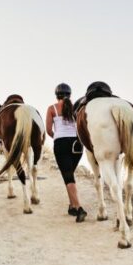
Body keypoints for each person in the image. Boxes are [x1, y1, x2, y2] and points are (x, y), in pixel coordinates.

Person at [46, 83, 87, 222]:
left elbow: (48, 130)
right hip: (77, 145)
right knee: (69, 175)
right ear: (69, 94)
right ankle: (72, 206)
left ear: (56, 95)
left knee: (68, 177)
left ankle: (79, 207)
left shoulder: (52, 108)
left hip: (61, 144)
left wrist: (57, 137)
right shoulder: (75, 108)